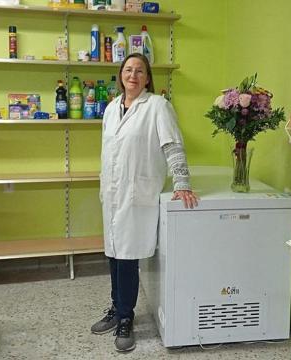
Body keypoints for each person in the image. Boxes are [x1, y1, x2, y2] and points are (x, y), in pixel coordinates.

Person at [91, 53, 198, 352]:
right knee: (114, 253)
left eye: (140, 71)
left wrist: (183, 183)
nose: (133, 75)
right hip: (112, 194)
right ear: (120, 76)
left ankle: (126, 318)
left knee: (127, 258)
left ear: (148, 78)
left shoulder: (157, 107)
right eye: (128, 70)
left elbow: (173, 145)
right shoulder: (111, 109)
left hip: (138, 194)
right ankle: (116, 308)